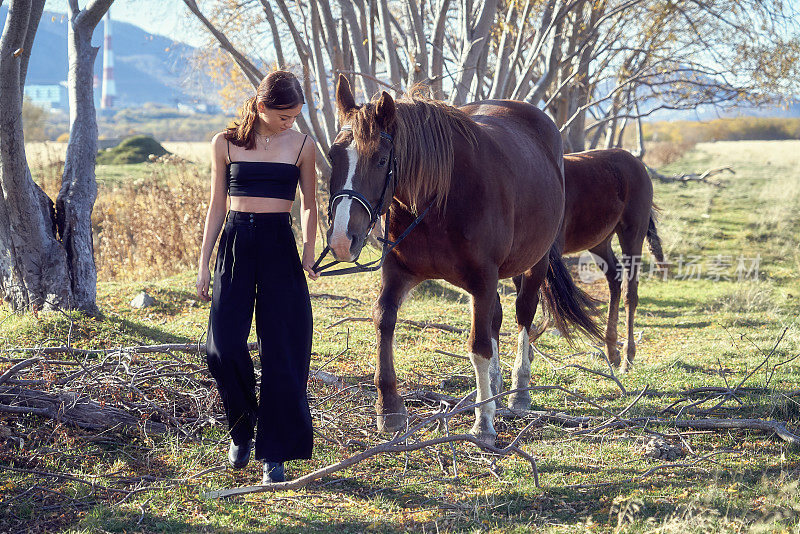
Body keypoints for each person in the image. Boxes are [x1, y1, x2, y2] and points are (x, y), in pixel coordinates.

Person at [196, 70, 319, 485]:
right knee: (222, 346)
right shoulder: (225, 143)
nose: (292, 122)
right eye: (285, 115)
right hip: (235, 244)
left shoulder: (303, 145)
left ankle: (274, 453)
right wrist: (203, 264)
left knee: (283, 348)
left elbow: (308, 204)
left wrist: (307, 248)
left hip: (279, 247)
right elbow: (216, 206)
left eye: (297, 114)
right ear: (262, 107)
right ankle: (242, 430)